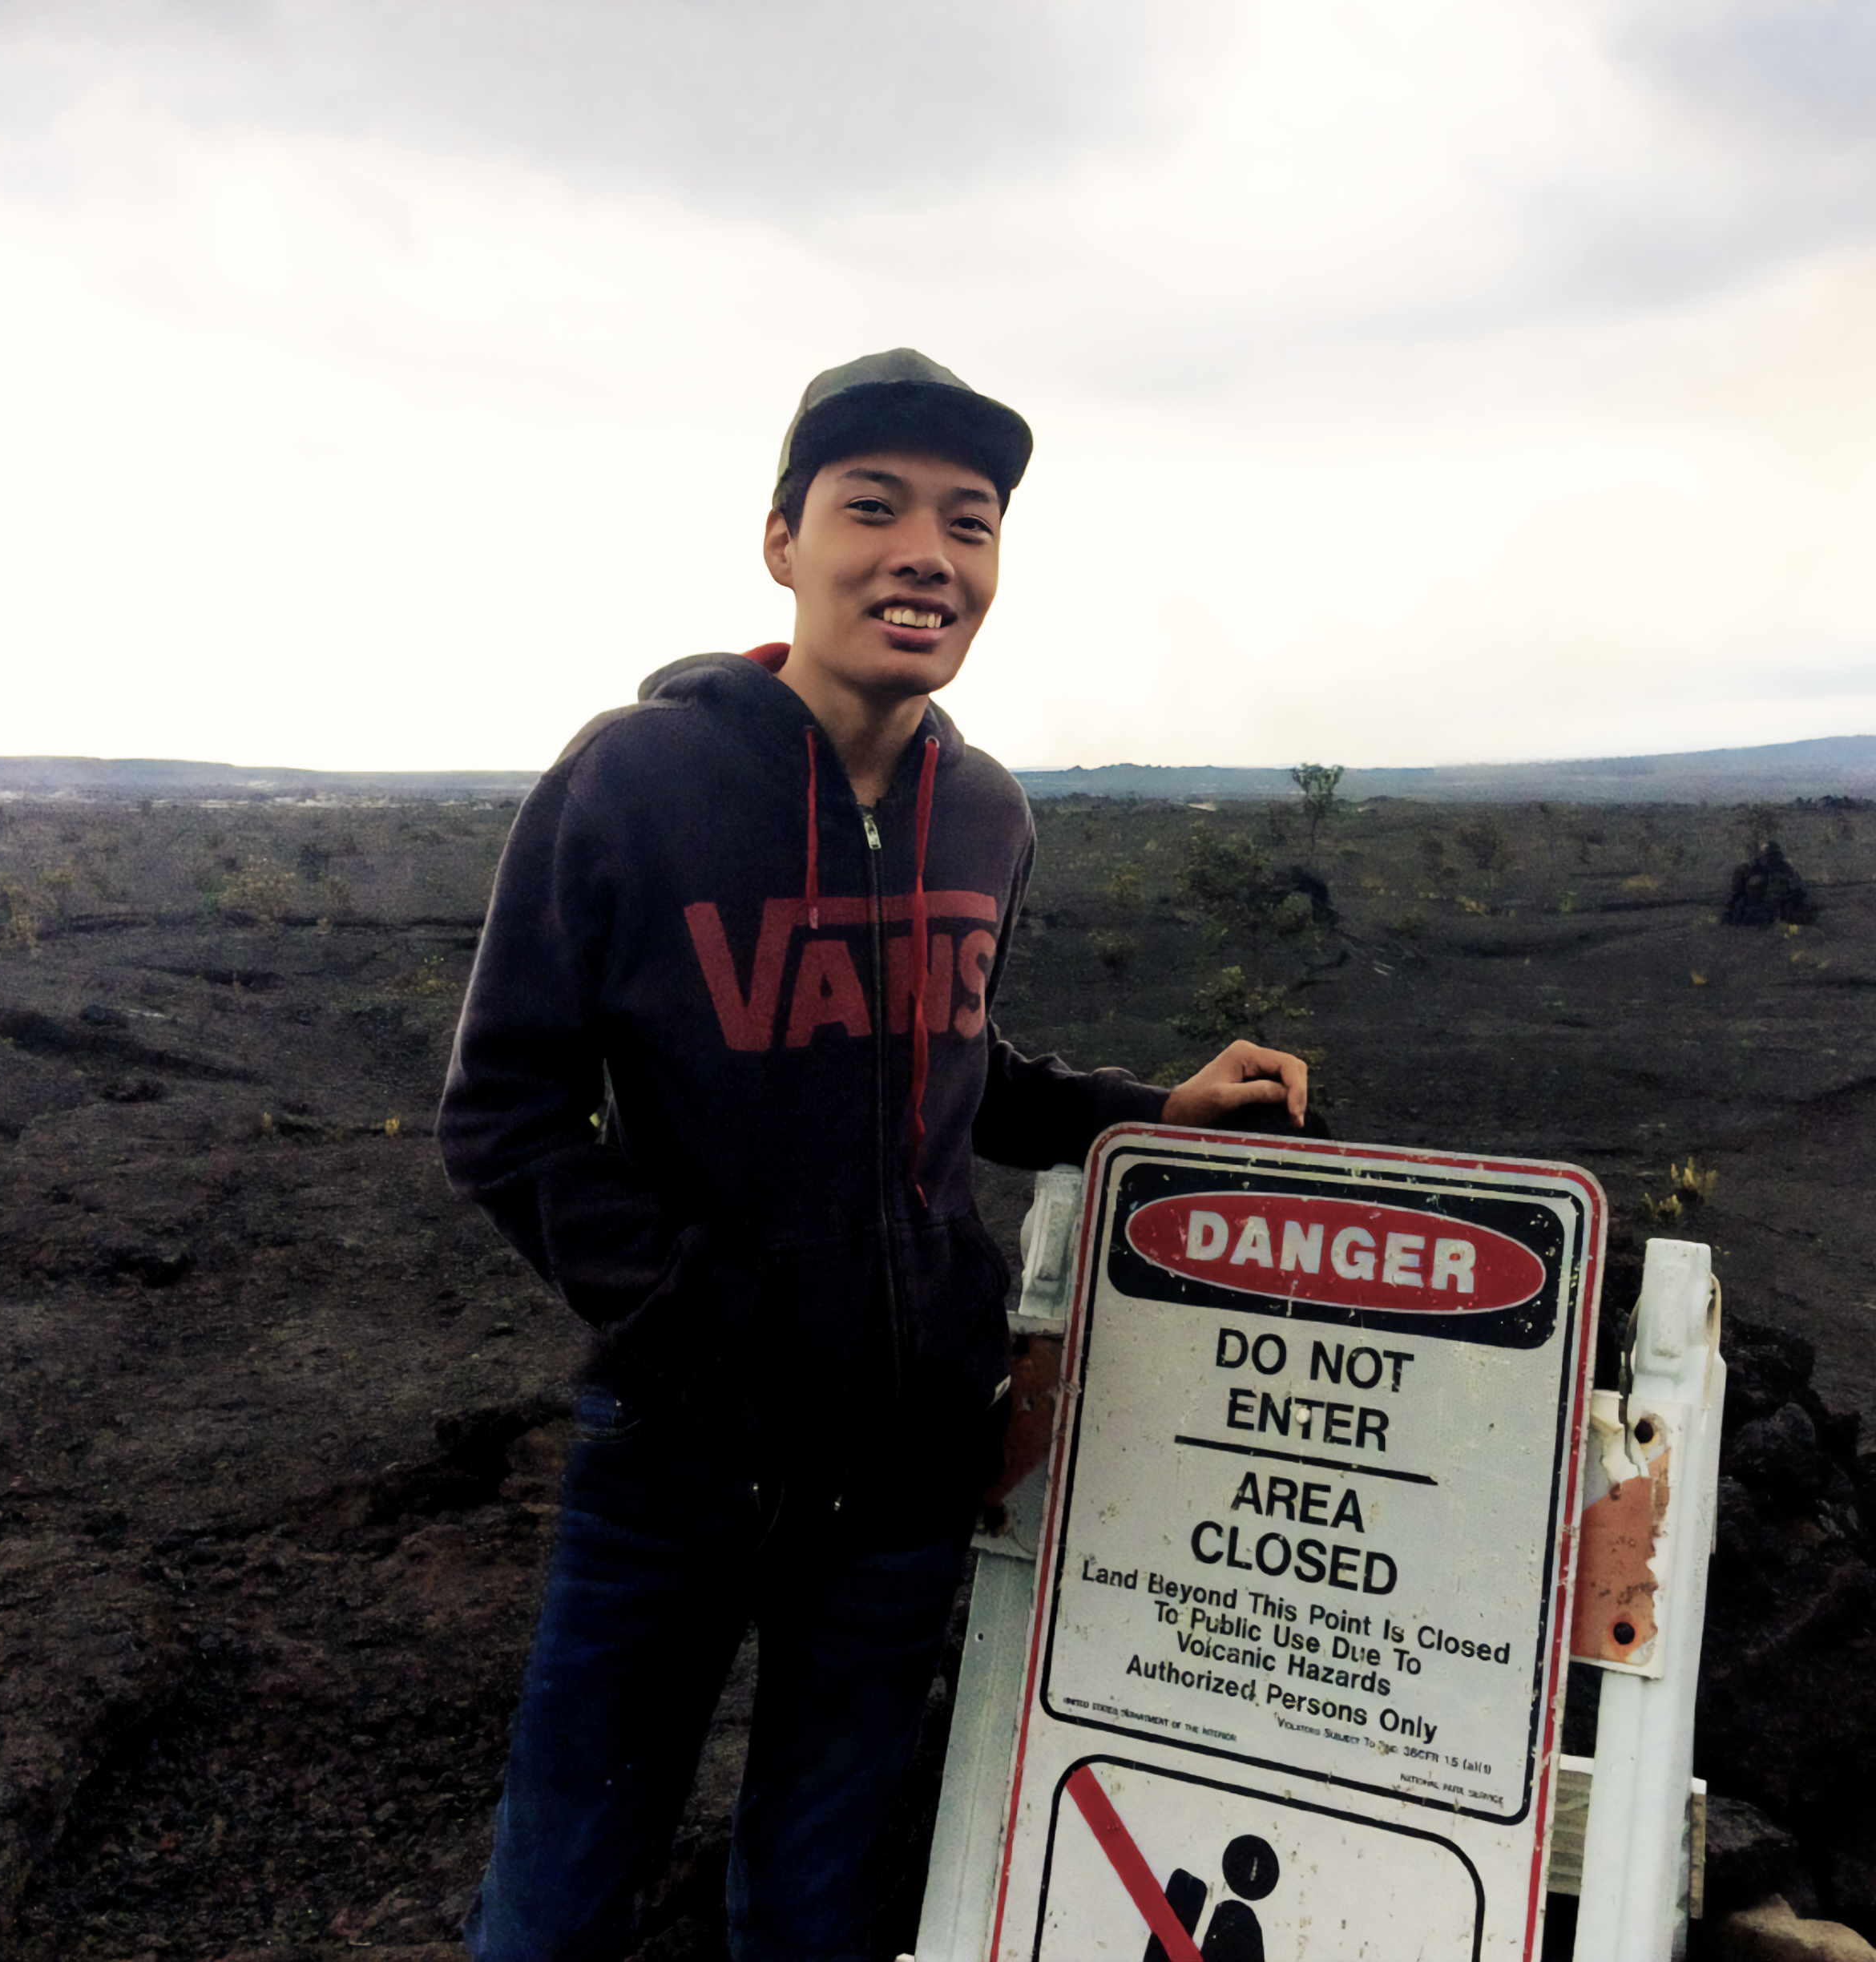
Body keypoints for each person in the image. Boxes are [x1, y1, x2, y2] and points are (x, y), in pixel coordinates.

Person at [437, 348, 1309, 1961]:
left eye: (969, 525)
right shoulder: (630, 785)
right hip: (682, 1458)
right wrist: (702, 1318)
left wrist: (1153, 1116)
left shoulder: (985, 815)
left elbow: (960, 1071)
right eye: (875, 508)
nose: (928, 553)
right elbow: (501, 1111)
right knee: (561, 1894)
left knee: (822, 1900)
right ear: (783, 541)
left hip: (905, 1472)